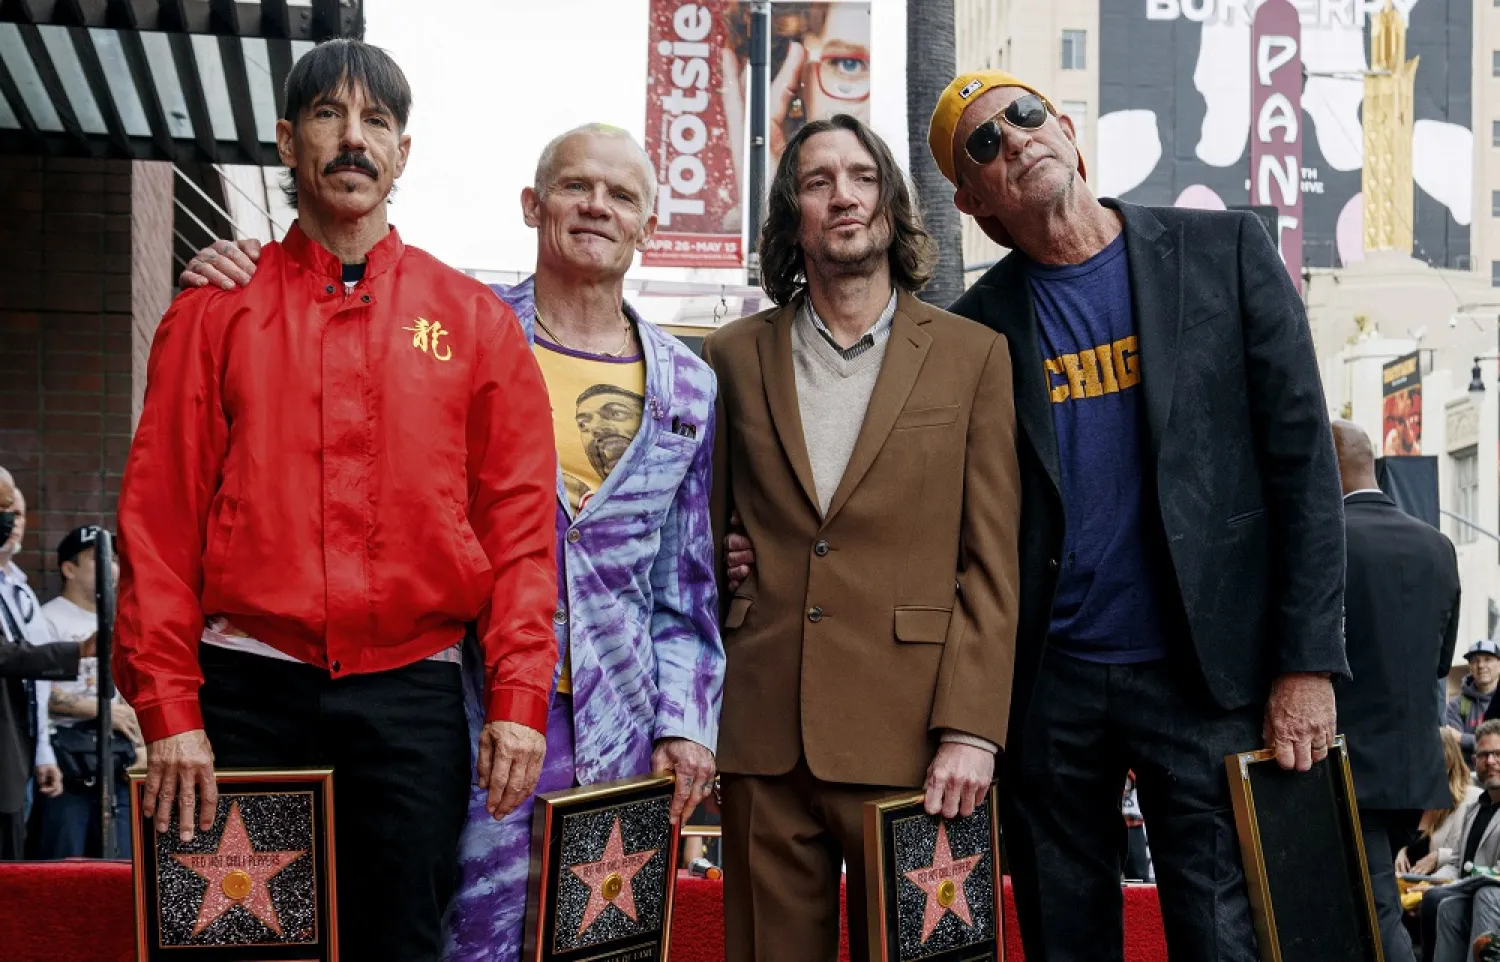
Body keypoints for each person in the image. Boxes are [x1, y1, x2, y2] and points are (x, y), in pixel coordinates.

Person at [176, 122, 726, 962]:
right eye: (577, 186)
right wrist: (249, 273)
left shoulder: (689, 383)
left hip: (618, 726)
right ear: (532, 205)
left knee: (602, 944)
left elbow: (683, 587)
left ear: (649, 227)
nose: (596, 207)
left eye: (622, 196)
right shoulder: (453, 328)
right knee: (453, 937)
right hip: (471, 713)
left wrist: (686, 725)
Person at [114, 40, 557, 960]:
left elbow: (517, 529)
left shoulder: (470, 321)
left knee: (400, 942)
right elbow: (156, 528)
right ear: (287, 141)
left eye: (377, 122)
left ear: (403, 153)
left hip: (411, 703)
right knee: (236, 946)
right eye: (328, 116)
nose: (353, 140)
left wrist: (518, 693)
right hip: (244, 696)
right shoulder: (213, 313)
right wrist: (171, 712)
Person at [925, 69, 1346, 962]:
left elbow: (1303, 466)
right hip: (1052, 687)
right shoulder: (974, 330)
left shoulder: (1225, 250)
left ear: (1069, 129)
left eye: (1026, 115)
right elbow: (938, 510)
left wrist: (1305, 662)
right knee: (1065, 936)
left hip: (1203, 674)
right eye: (986, 144)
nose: (1017, 138)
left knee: (1223, 934)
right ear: (973, 201)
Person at [704, 112, 1020, 962]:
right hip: (763, 737)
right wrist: (722, 560)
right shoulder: (729, 358)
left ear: (890, 202)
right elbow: (695, 532)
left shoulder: (973, 356)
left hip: (920, 744)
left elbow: (992, 564)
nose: (843, 196)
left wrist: (972, 732)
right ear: (791, 216)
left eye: (862, 177)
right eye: (817, 181)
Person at [1332, 420, 1462, 962]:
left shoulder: (1327, 539)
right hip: (1414, 771)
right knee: (1373, 899)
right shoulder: (1437, 545)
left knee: (1372, 908)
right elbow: (1439, 661)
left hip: (1347, 764)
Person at [29, 525, 142, 859]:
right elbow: (36, 692)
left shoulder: (122, 620)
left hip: (116, 760)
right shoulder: (47, 618)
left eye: (115, 559)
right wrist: (102, 710)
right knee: (64, 863)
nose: (111, 566)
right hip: (67, 764)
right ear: (69, 568)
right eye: (97, 558)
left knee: (120, 865)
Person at [0, 468, 93, 859]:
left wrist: (41, 753)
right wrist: (78, 651)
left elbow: (32, 681)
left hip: (17, 751)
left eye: (16, 512)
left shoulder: (18, 586)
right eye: (4, 510)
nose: (12, 522)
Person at [1422, 721, 1500, 962]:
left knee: (1485, 895)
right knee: (1447, 906)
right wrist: (1429, 883)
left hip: (1490, 898)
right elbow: (1456, 861)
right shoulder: (1474, 810)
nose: (1490, 762)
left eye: (1498, 754)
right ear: (1474, 759)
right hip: (1469, 897)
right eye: (1483, 755)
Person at [1396, 728, 1479, 879]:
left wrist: (1439, 857)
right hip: (1403, 889)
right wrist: (1400, 851)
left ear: (1450, 762)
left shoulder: (1473, 799)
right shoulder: (1411, 802)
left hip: (1440, 892)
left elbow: (1476, 854)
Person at [1453, 640, 1500, 761]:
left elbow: (1458, 738)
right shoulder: (1456, 705)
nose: (1481, 665)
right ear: (1470, 667)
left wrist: (1462, 738)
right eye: (1475, 660)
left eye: (1487, 659)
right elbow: (1452, 743)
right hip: (1468, 776)